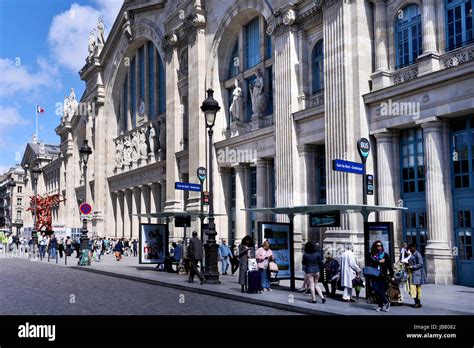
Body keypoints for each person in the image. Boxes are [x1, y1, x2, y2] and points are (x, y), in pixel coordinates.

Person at [368, 240, 393, 312]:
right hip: (374, 275)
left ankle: (380, 306)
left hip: (382, 275)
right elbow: (370, 263)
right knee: (375, 288)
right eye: (378, 246)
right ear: (375, 247)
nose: (379, 247)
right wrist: (379, 262)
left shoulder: (385, 255)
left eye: (380, 245)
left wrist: (392, 275)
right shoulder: (371, 255)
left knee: (381, 291)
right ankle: (386, 302)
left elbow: (389, 265)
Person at [406, 243, 426, 308]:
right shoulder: (412, 254)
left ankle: (417, 303)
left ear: (414, 248)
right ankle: (417, 302)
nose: (410, 250)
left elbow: (420, 264)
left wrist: (412, 267)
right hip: (413, 273)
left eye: (410, 248)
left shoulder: (418, 254)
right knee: (414, 288)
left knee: (416, 289)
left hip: (417, 274)